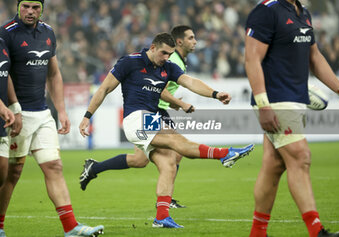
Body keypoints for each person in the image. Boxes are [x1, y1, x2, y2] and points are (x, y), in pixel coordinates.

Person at [79, 32, 254, 228]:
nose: (166, 58)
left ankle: (161, 217)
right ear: (152, 47)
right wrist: (87, 116)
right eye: (163, 53)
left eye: (170, 54)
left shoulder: (167, 67)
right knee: (177, 141)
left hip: (150, 119)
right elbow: (103, 89)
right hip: (135, 119)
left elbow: (190, 82)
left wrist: (215, 94)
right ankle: (224, 154)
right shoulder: (130, 62)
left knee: (169, 163)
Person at [245, 0, 339, 237]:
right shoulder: (266, 11)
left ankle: (257, 232)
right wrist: (263, 104)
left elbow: (315, 57)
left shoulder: (303, 12)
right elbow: (252, 59)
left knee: (273, 165)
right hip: (274, 100)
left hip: (295, 99)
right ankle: (316, 231)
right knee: (301, 156)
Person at [0, 1, 104, 236]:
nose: (30, 11)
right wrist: (14, 108)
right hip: (15, 114)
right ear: (18, 7)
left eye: (35, 7)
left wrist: (62, 110)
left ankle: (71, 228)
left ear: (42, 9)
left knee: (54, 166)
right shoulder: (6, 34)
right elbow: (2, 73)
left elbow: (54, 73)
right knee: (12, 173)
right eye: (25, 6)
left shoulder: (48, 32)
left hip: (42, 113)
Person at [79, 25, 202, 209]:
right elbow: (160, 90)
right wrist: (180, 103)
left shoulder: (176, 59)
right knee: (177, 150)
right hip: (154, 111)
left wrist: (177, 103)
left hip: (154, 111)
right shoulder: (171, 58)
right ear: (179, 42)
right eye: (191, 38)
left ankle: (94, 168)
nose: (195, 41)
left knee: (140, 160)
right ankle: (167, 200)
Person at [0, 37, 16, 190]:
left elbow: (6, 74)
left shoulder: (2, 42)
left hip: (1, 120)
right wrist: (2, 107)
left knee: (2, 172)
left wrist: (14, 106)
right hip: (2, 111)